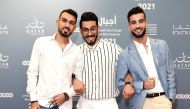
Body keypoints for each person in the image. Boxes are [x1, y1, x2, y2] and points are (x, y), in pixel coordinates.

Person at [117, 6, 176, 109]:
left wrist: (170, 99)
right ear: (129, 27)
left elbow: (170, 74)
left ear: (146, 23)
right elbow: (120, 83)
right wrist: (142, 85)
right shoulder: (125, 54)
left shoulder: (162, 45)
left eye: (141, 21)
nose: (138, 25)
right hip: (141, 103)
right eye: (133, 23)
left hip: (163, 100)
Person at [26, 9, 84, 109]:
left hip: (64, 106)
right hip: (41, 104)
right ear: (57, 22)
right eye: (64, 20)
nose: (67, 25)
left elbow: (78, 82)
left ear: (74, 28)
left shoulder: (77, 51)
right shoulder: (41, 43)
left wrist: (66, 95)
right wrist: (33, 100)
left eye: (71, 23)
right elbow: (32, 73)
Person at [76, 12, 133, 109]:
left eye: (93, 29)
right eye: (85, 30)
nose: (89, 33)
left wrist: (128, 84)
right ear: (81, 31)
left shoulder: (115, 49)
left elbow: (127, 69)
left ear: (98, 29)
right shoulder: (76, 51)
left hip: (108, 104)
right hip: (84, 103)